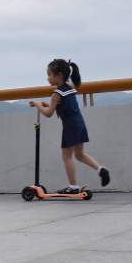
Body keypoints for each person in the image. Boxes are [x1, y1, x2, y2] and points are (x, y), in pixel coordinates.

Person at [33, 59, 110, 192]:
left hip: (69, 127)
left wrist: (37, 104)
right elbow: (64, 105)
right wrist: (48, 103)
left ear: (59, 75)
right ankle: (100, 169)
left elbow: (48, 113)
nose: (47, 78)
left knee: (66, 157)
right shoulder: (70, 89)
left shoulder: (56, 93)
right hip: (79, 124)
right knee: (80, 155)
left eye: (49, 74)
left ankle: (73, 186)